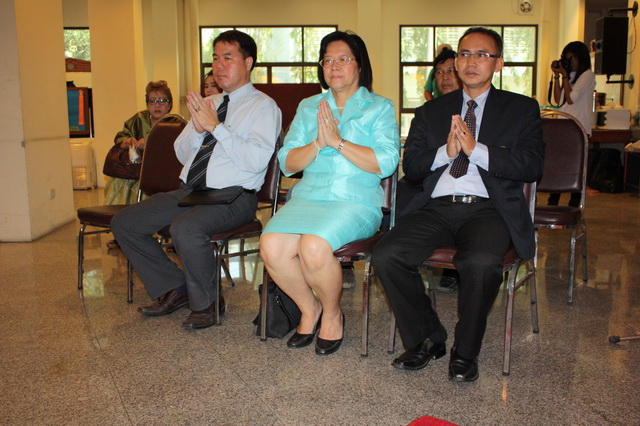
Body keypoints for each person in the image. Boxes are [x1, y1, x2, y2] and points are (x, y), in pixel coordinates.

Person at [371, 27, 544, 382]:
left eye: (482, 54)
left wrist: (476, 150)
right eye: (464, 54)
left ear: (498, 63)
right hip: (435, 206)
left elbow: (531, 165)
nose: (471, 61)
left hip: (488, 208)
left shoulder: (521, 109)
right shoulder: (432, 111)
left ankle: (465, 351)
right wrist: (445, 152)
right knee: (387, 255)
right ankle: (427, 338)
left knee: (480, 262)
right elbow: (413, 167)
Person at [111, 30, 282, 330]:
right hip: (191, 190)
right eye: (215, 58)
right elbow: (181, 153)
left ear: (248, 63)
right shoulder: (209, 102)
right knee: (125, 223)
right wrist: (199, 130)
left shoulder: (263, 107)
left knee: (186, 228)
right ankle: (177, 288)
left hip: (234, 197)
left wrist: (217, 128)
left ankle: (208, 303)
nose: (219, 65)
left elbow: (256, 161)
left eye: (228, 58)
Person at [260, 30, 399, 356]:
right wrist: (317, 144)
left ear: (359, 65)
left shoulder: (379, 107)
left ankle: (333, 313)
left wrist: (337, 142)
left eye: (343, 59)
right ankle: (310, 309)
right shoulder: (309, 106)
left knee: (313, 245)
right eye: (327, 60)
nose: (334, 66)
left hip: (355, 202)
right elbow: (287, 162)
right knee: (271, 245)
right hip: (308, 198)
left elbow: (386, 163)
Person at [104, 80, 183, 248]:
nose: (157, 105)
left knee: (147, 187)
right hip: (138, 170)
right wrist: (126, 142)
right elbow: (122, 135)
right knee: (120, 183)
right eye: (152, 101)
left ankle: (163, 233)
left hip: (166, 172)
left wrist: (152, 144)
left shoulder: (176, 122)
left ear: (170, 104)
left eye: (162, 100)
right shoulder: (138, 119)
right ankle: (124, 230)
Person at [548, 41, 596, 207]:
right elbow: (558, 100)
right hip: (563, 127)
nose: (569, 63)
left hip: (578, 129)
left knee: (576, 168)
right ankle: (552, 202)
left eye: (571, 59)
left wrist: (565, 76)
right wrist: (557, 76)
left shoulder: (587, 75)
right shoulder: (571, 76)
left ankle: (574, 204)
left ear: (580, 58)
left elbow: (571, 99)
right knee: (557, 167)